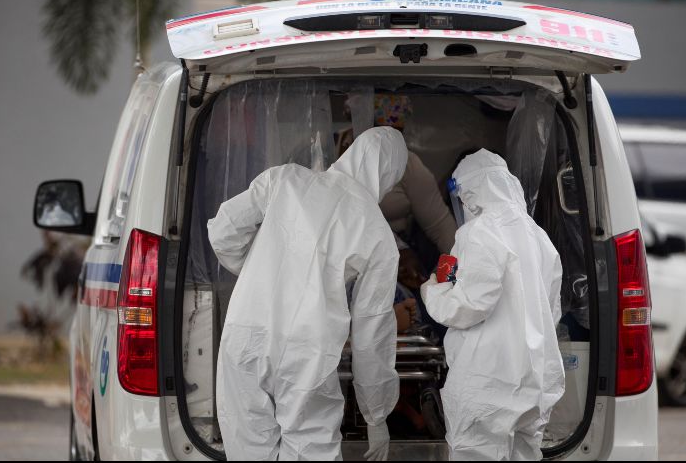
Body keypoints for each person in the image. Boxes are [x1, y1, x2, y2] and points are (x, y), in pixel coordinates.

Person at [208, 126, 408, 461]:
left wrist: (261, 274)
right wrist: (377, 417)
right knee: (309, 450)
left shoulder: (285, 179)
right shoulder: (377, 232)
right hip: (307, 352)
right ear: (389, 174)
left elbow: (224, 230)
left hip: (245, 336)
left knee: (247, 450)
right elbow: (371, 334)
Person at [420, 149, 565, 461]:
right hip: (535, 383)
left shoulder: (478, 232)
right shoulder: (539, 237)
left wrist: (431, 290)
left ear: (471, 193)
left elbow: (466, 305)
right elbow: (551, 311)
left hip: (489, 383)